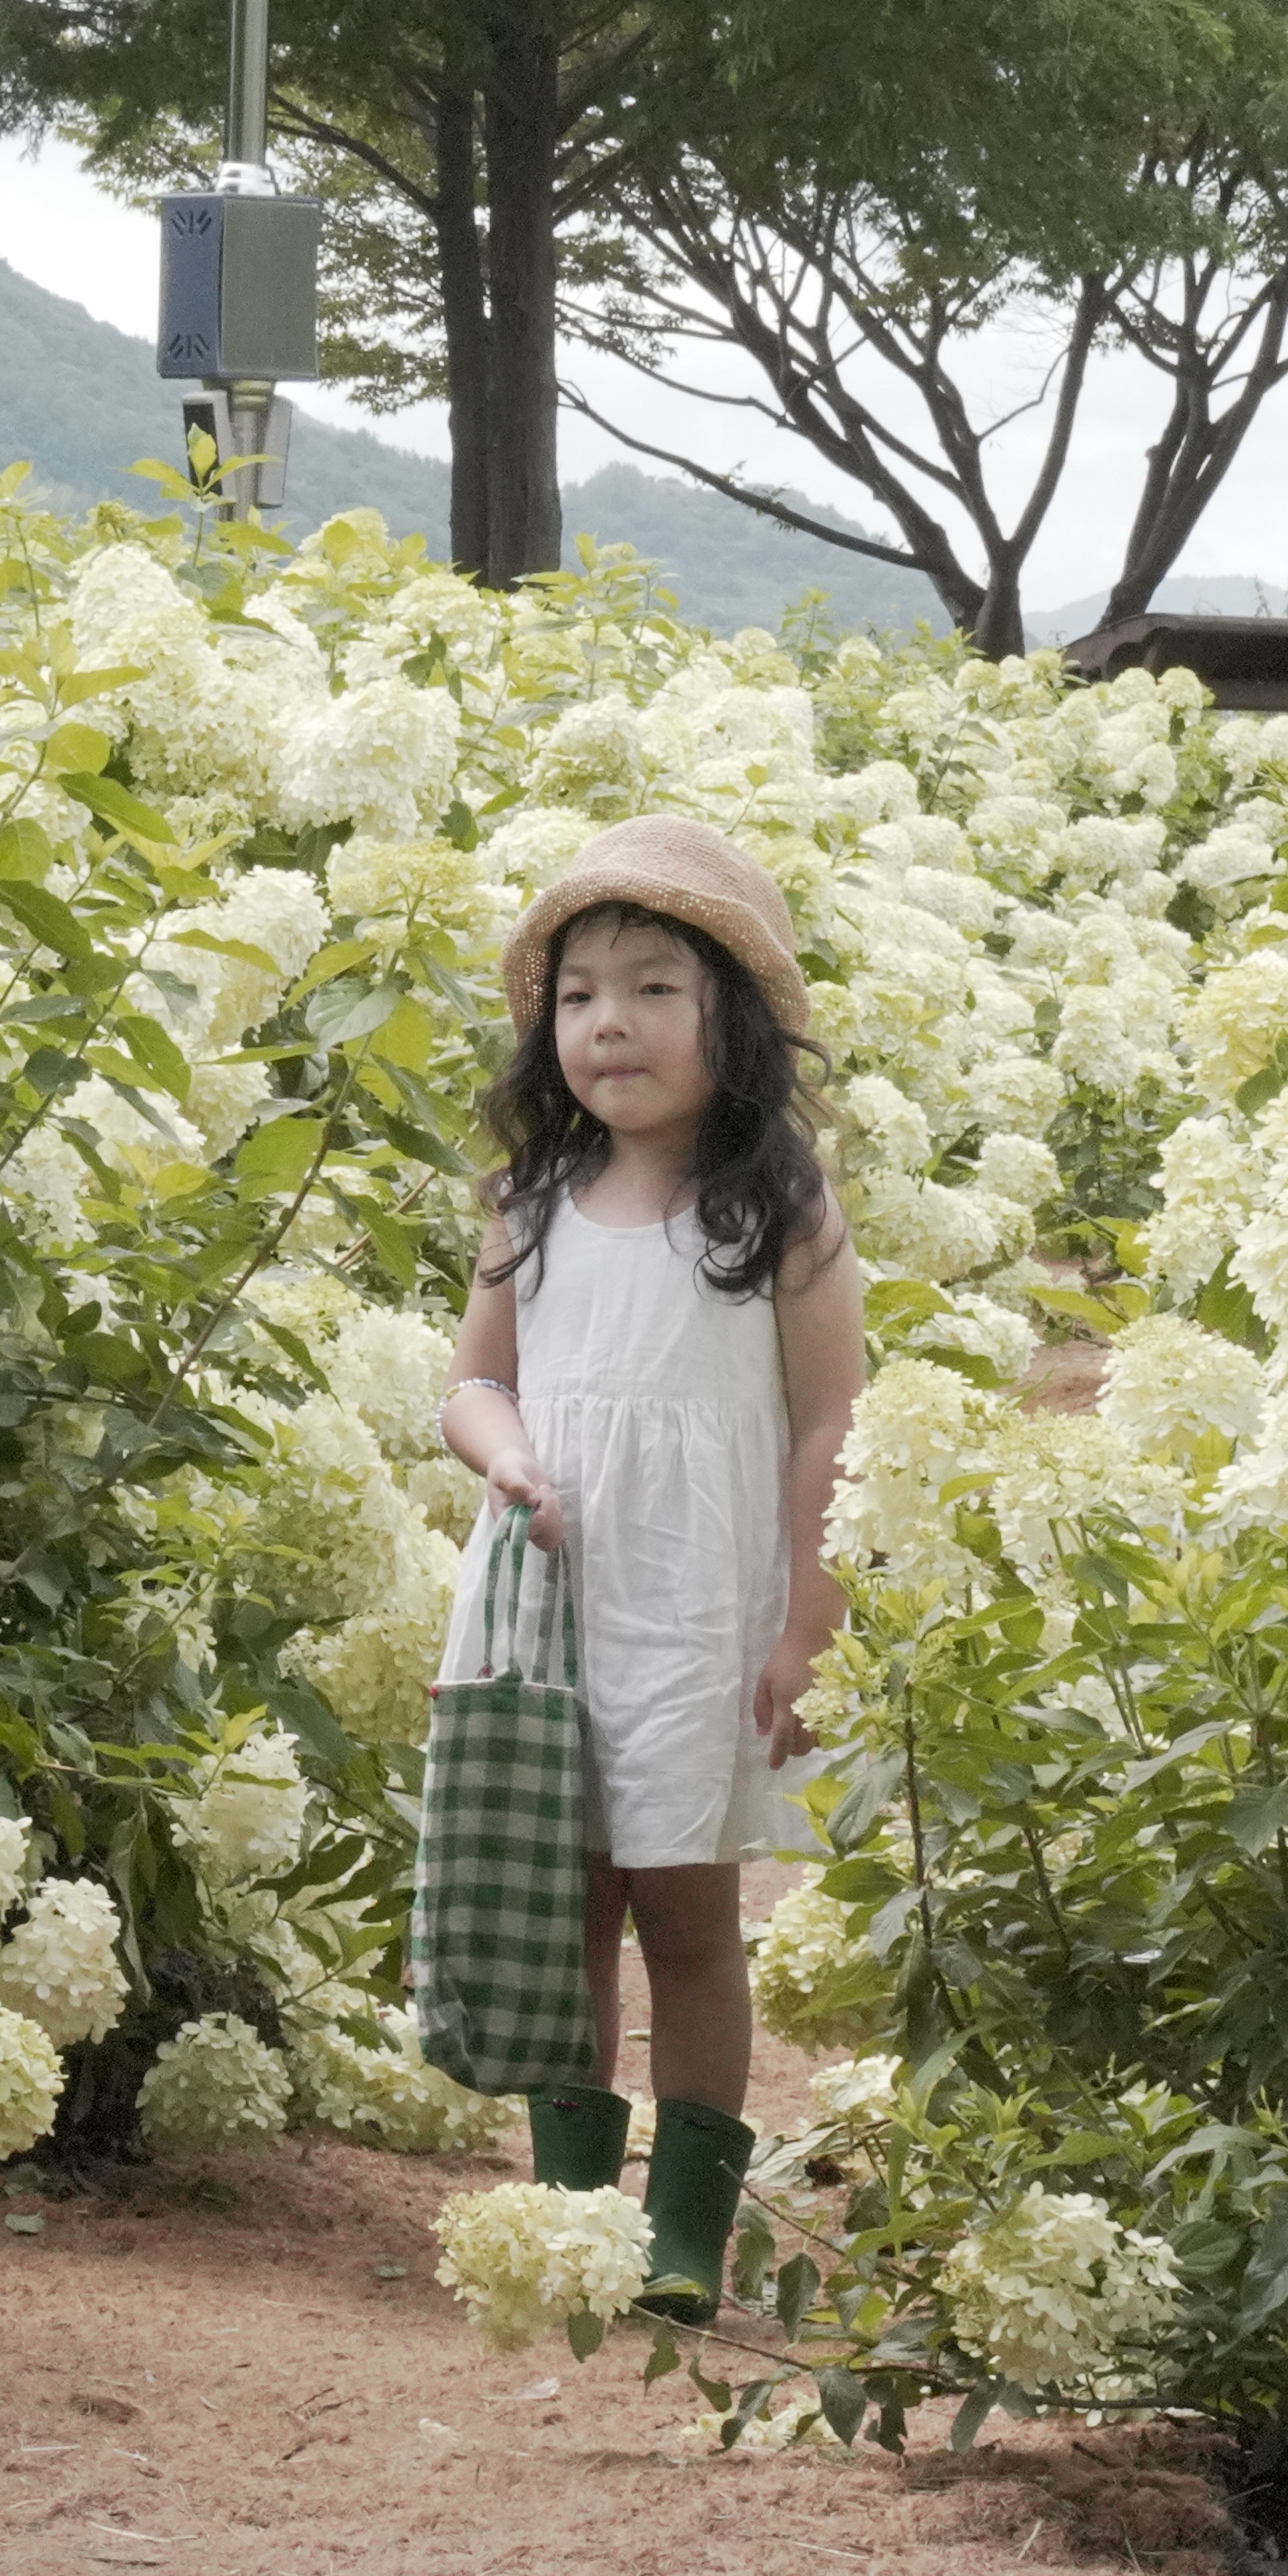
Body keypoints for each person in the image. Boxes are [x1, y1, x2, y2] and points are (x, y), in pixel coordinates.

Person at [430, 816, 858, 2320]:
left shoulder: (776, 1209)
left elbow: (828, 1434)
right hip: (551, 1602)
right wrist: (510, 1458)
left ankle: (684, 2234)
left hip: (695, 1608)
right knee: (568, 1917)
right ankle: (567, 2220)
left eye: (653, 988)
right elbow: (470, 1387)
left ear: (729, 1020)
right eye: (578, 994)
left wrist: (809, 1630)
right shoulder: (530, 1204)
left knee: (686, 1919)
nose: (609, 1023)